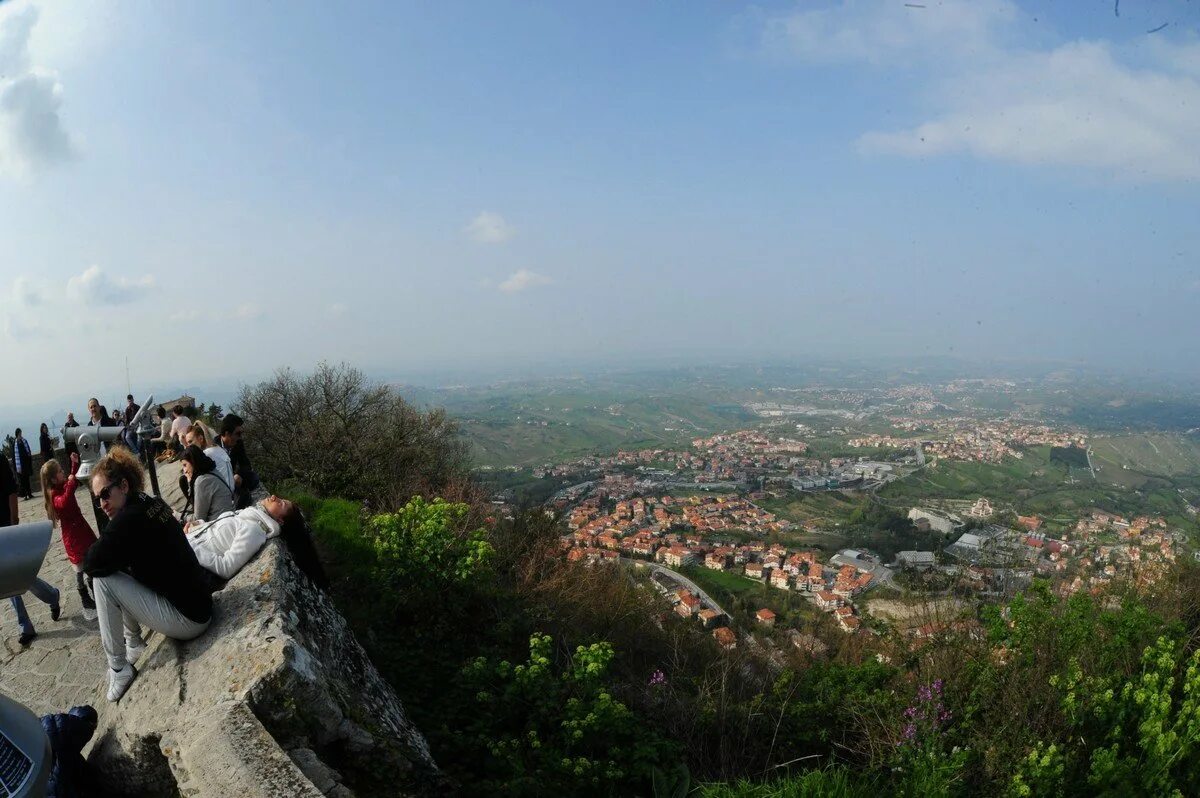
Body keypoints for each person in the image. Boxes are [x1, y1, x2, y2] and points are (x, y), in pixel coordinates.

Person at [84, 447, 212, 701]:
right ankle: (133, 642)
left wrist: (110, 556)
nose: (102, 504)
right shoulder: (147, 502)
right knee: (112, 566)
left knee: (102, 579)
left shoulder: (128, 519)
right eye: (97, 498)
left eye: (106, 493)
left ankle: (119, 668)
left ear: (123, 485)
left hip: (189, 620)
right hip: (199, 605)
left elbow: (90, 563)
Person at [1, 453, 60, 646]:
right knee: (10, 577)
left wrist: (14, 521)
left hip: (5, 527)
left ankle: (49, 598)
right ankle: (28, 623)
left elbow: (11, 492)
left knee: (15, 575)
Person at [42, 453, 99, 620]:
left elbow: (70, 484)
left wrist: (73, 464)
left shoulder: (62, 487)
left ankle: (94, 586)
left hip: (80, 528)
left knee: (90, 558)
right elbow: (65, 501)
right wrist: (71, 480)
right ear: (53, 479)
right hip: (73, 536)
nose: (63, 473)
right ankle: (84, 596)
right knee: (79, 568)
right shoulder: (54, 495)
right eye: (60, 471)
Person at [186, 495, 295, 581]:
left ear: (280, 521)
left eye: (281, 503)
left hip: (188, 561)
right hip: (185, 545)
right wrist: (198, 526)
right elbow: (216, 534)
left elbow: (226, 568)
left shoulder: (254, 530)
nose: (274, 496)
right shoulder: (250, 515)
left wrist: (189, 546)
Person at [180, 445, 235, 527]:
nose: (184, 470)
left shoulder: (202, 481)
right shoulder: (213, 471)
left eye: (185, 465)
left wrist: (179, 517)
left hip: (218, 525)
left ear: (193, 462)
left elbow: (199, 519)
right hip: (227, 519)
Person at [219, 414, 261, 509]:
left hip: (233, 480)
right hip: (219, 482)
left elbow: (246, 464)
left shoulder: (238, 443)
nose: (240, 437)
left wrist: (239, 474)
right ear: (227, 434)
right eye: (237, 434)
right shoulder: (213, 445)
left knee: (253, 478)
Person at [185, 423, 234, 490]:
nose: (188, 446)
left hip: (223, 494)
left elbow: (193, 482)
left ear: (201, 439)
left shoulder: (206, 454)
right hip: (229, 489)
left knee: (184, 481)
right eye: (187, 443)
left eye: (190, 442)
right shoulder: (216, 448)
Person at [13, 427, 34, 499]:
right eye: (19, 433)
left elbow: (27, 450)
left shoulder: (23, 441)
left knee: (27, 479)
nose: (21, 435)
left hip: (25, 464)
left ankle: (29, 493)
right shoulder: (15, 443)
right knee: (22, 481)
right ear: (17, 434)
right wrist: (16, 467)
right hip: (20, 465)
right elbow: (14, 456)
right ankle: (25, 495)